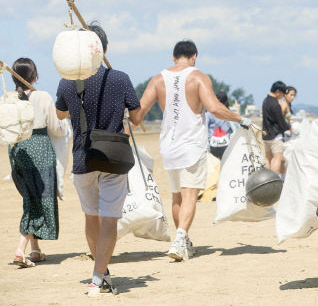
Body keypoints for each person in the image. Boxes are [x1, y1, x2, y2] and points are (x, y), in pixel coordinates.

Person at [138, 40, 248, 261]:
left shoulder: (158, 79)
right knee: (190, 195)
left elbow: (138, 112)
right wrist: (240, 118)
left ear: (173, 57)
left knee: (177, 196)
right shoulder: (198, 77)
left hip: (168, 146)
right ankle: (180, 238)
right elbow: (215, 108)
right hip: (191, 146)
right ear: (194, 56)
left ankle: (182, 240)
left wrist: (123, 128)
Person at [55, 24, 144, 295]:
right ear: (103, 50)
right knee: (109, 220)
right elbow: (137, 119)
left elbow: (61, 115)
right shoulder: (119, 78)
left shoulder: (67, 81)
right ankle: (98, 275)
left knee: (91, 217)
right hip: (113, 158)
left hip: (82, 158)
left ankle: (101, 271)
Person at [9, 58, 66, 268]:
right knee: (37, 200)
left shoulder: (8, 98)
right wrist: (66, 126)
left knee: (30, 197)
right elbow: (56, 129)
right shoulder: (42, 96)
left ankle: (35, 250)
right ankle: (20, 249)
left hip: (17, 151)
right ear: (35, 76)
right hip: (40, 150)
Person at [262, 81, 289, 175]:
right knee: (277, 157)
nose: (282, 97)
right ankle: (274, 178)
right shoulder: (275, 104)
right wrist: (288, 127)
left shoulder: (265, 101)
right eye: (282, 94)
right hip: (275, 135)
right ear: (278, 91)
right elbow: (280, 121)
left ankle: (267, 178)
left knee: (267, 158)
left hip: (265, 135)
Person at [207, 91, 234, 160]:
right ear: (226, 102)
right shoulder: (229, 112)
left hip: (213, 144)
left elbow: (205, 127)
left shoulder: (210, 113)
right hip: (226, 144)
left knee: (214, 166)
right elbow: (234, 128)